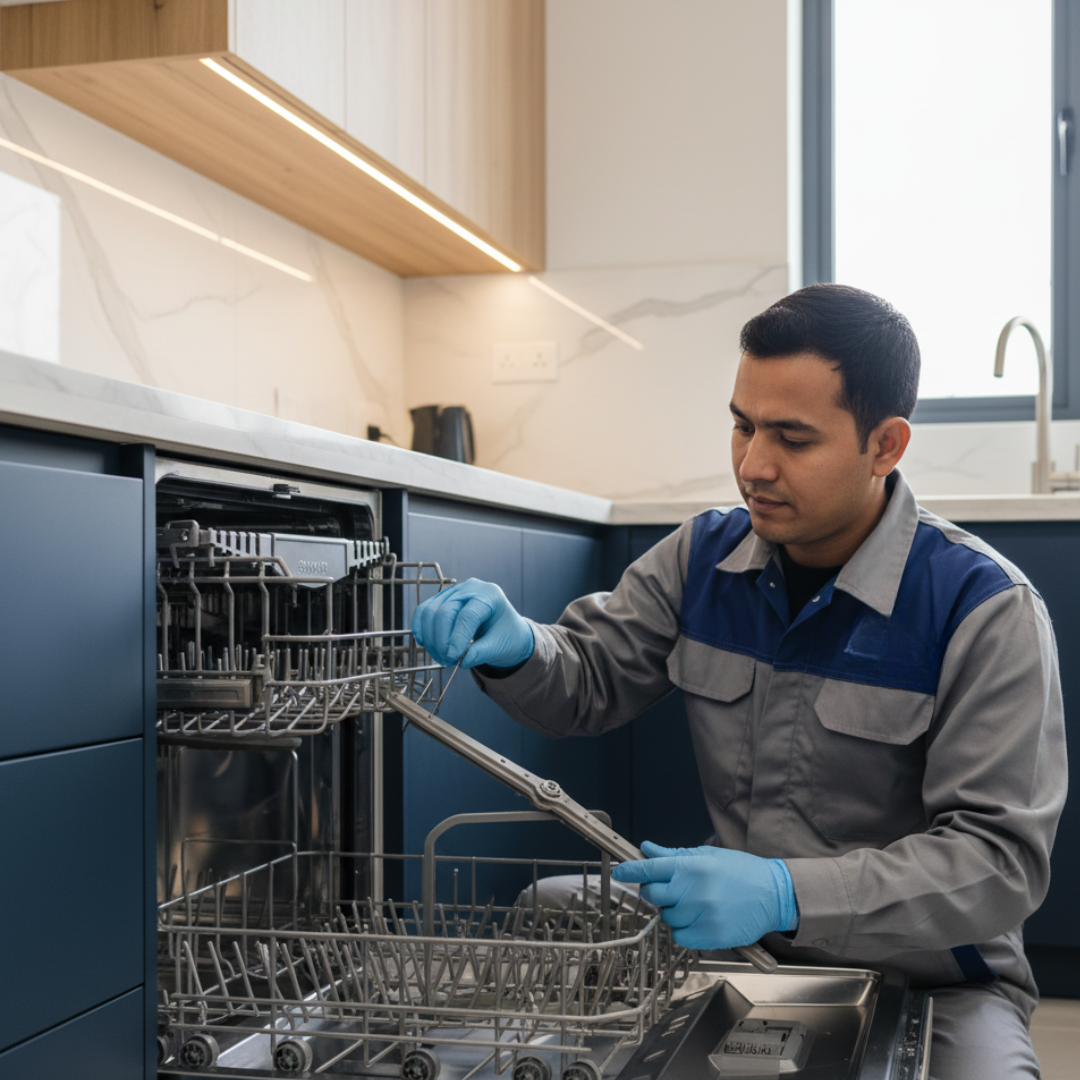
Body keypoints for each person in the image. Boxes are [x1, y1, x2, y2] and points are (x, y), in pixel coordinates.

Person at [411, 283, 1066, 1080]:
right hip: (723, 935)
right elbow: (584, 677)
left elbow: (998, 863)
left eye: (792, 437)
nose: (753, 465)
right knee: (544, 913)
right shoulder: (702, 559)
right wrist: (517, 647)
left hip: (935, 976)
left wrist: (788, 892)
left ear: (885, 446)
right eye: (743, 425)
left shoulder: (984, 608)